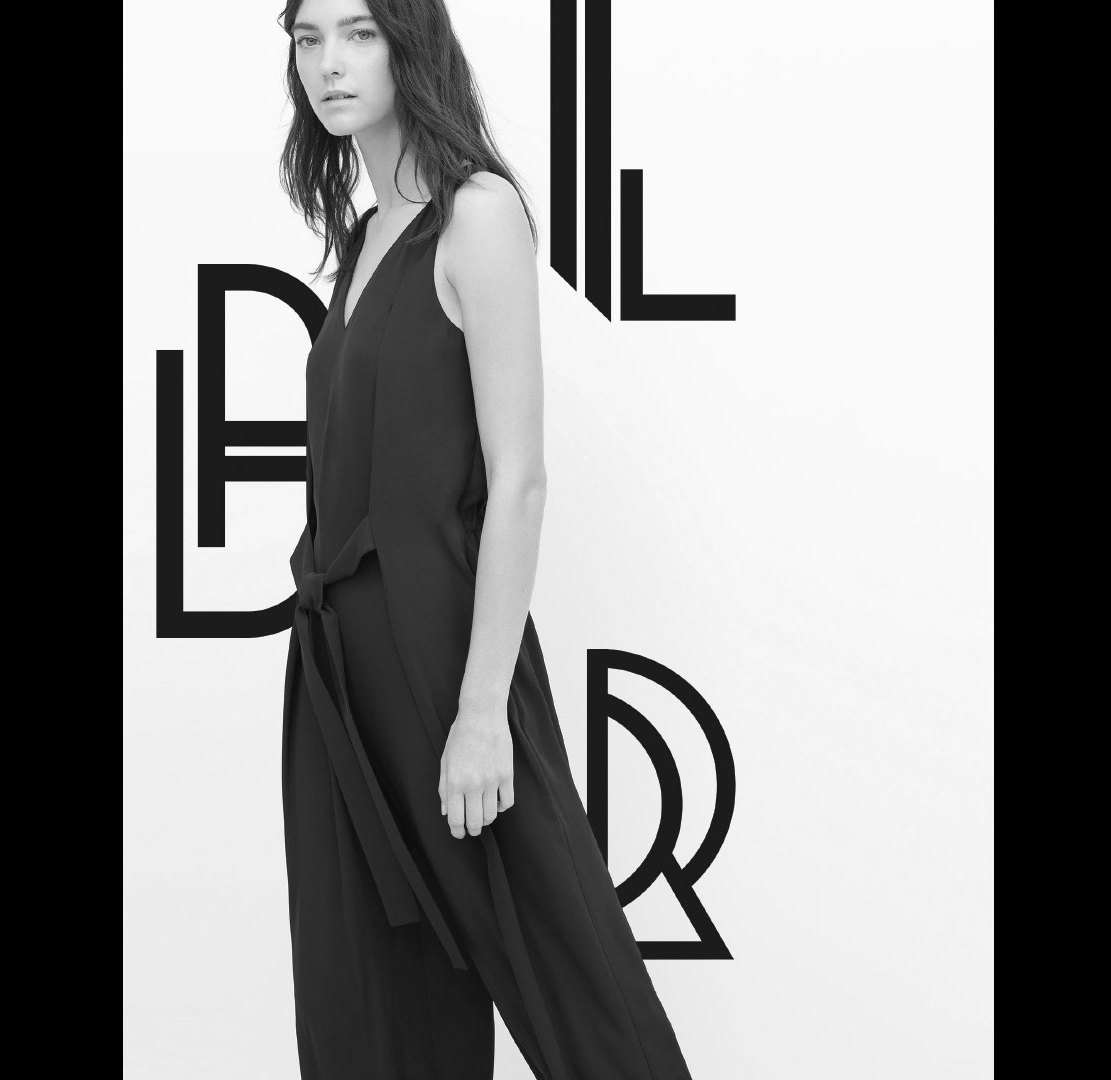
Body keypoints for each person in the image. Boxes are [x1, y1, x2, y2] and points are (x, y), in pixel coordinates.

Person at [275, 2, 697, 1077]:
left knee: (574, 985)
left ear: (410, 41)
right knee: (367, 1003)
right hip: (333, 665)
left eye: (359, 33)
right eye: (308, 37)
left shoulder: (478, 214)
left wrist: (479, 716)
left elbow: (518, 481)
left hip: (441, 651)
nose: (328, 64)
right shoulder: (366, 234)